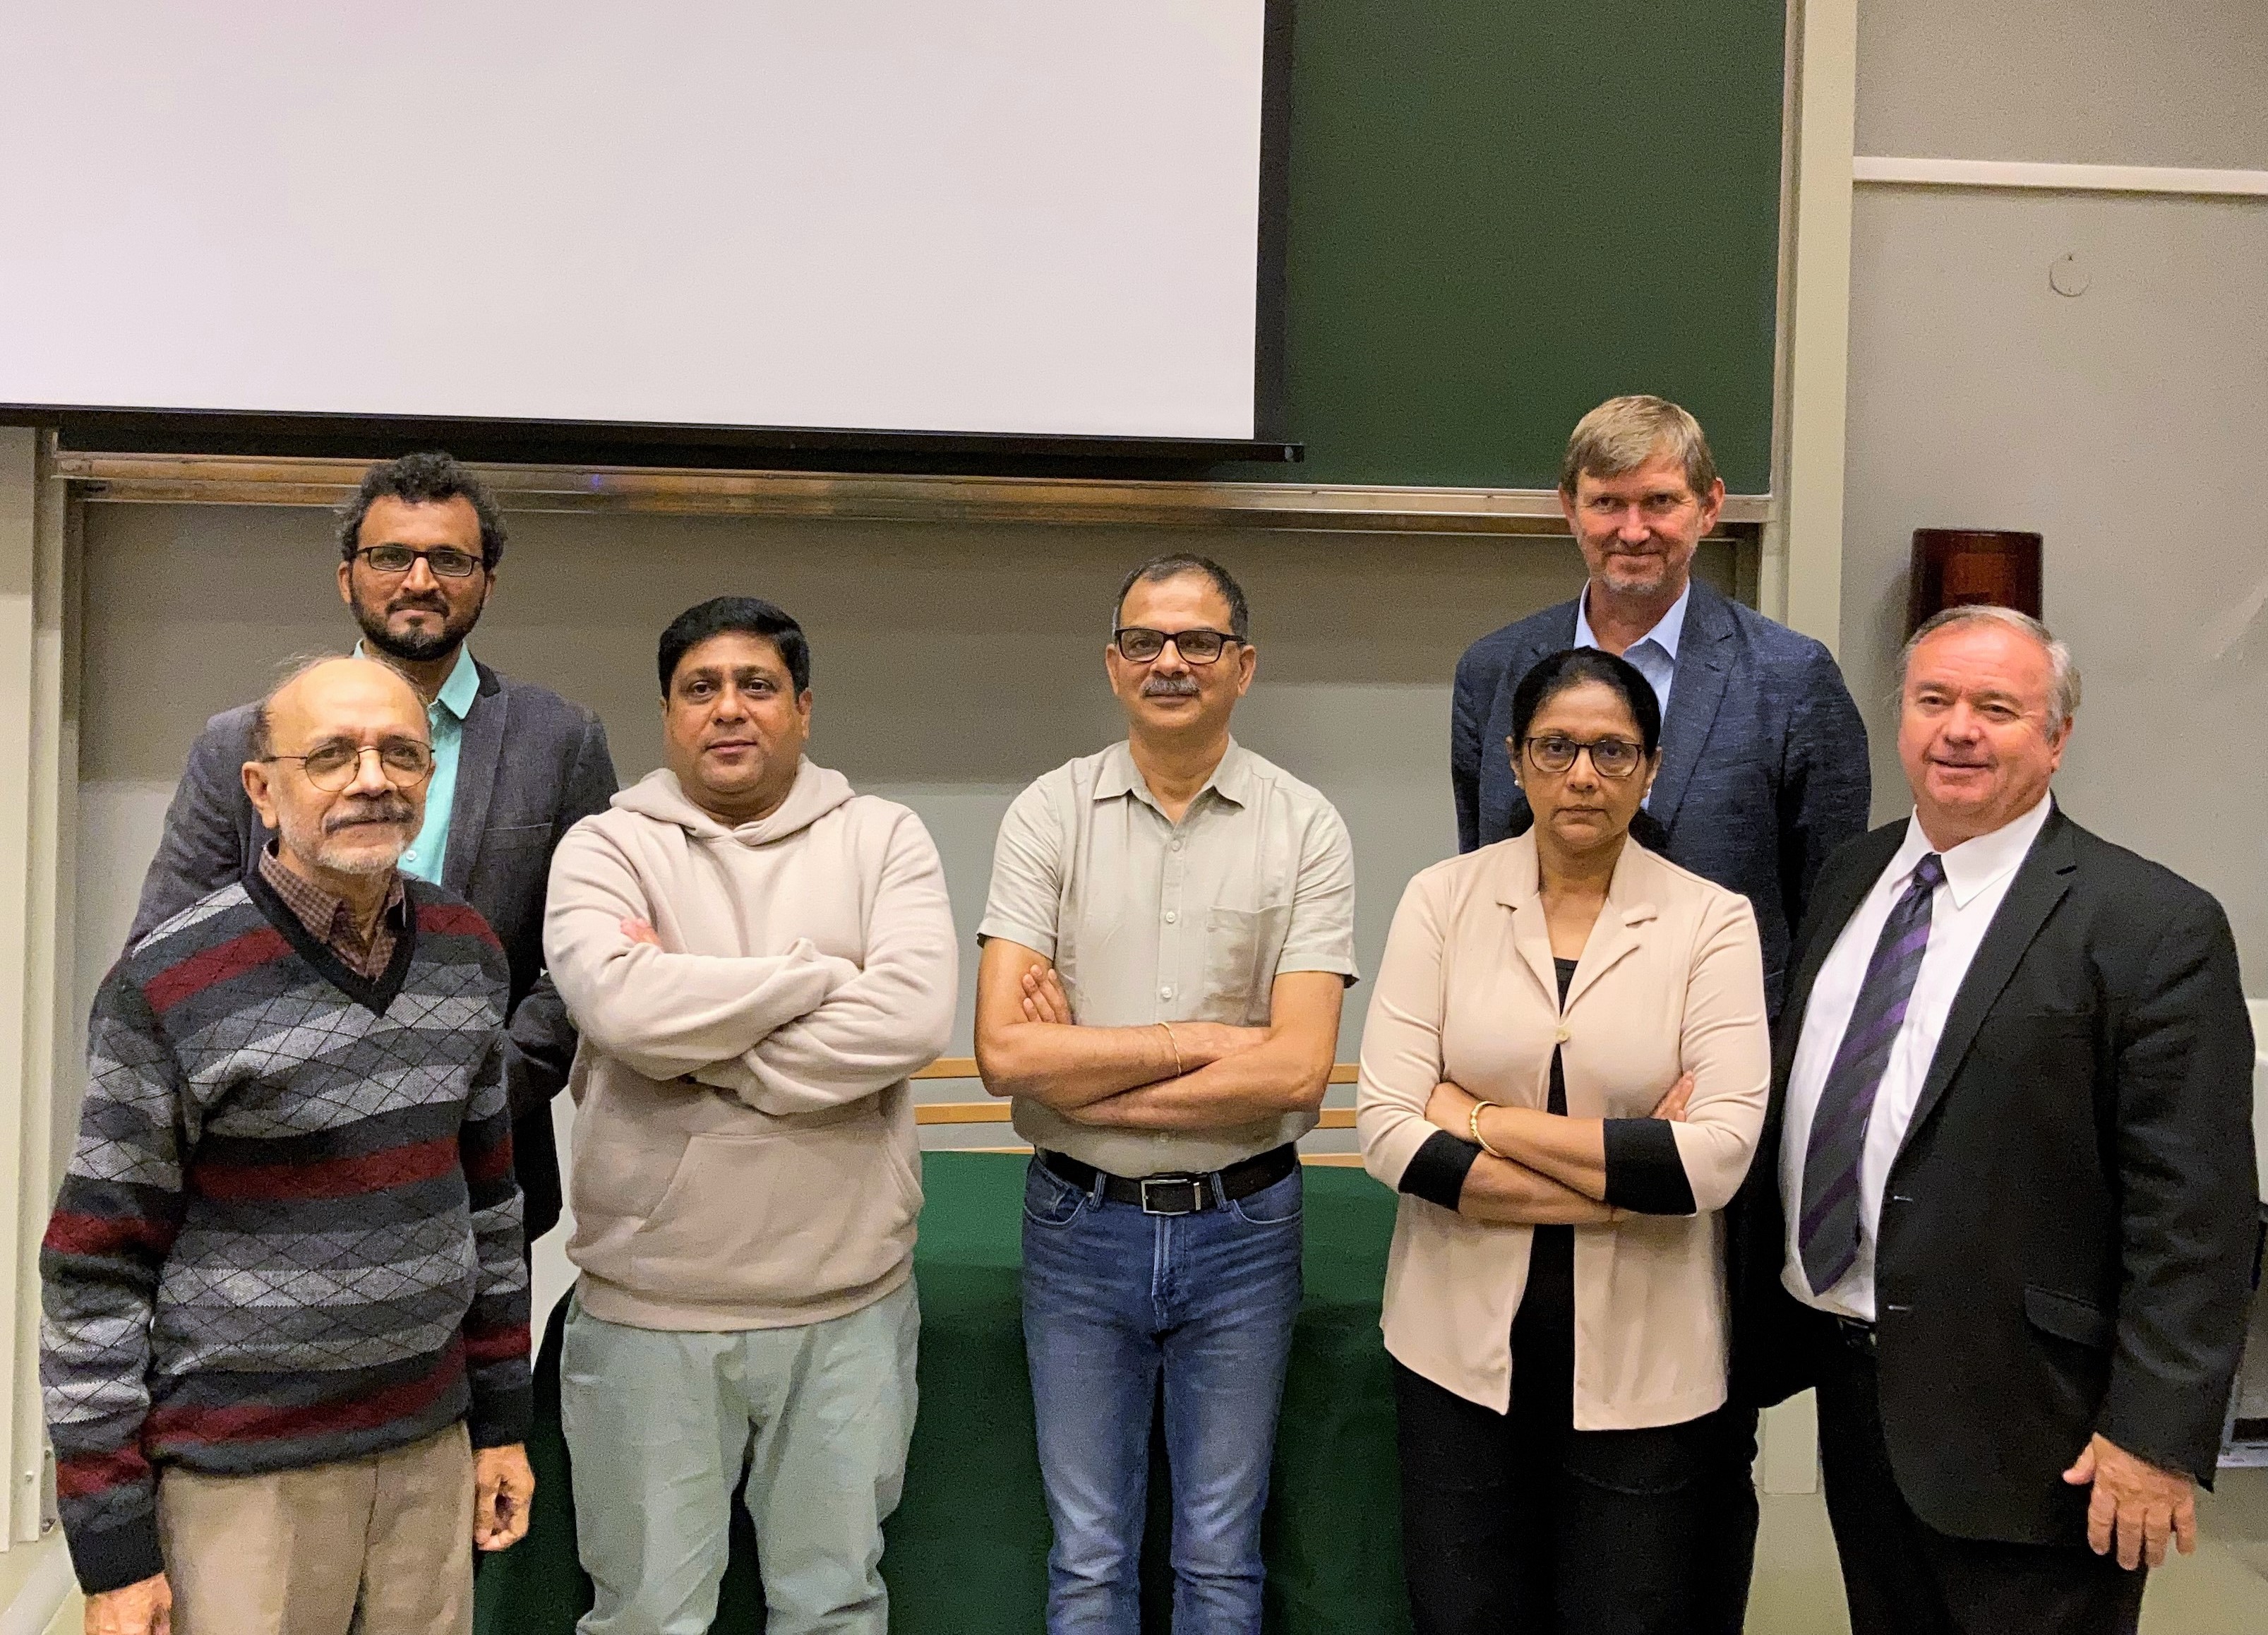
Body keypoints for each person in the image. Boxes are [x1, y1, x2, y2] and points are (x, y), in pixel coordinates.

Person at [1729, 606, 2258, 1635]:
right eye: (1933, 700)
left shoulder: (2152, 925)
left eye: (1997, 708)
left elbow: (2196, 1214)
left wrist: (2152, 1436)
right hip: (1857, 1385)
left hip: (2039, 1421)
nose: (1958, 729)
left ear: (2057, 739)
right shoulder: (1851, 878)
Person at [1449, 395, 1871, 1625]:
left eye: (1659, 502)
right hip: (1530, 1132)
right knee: (1529, 1412)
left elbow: (1828, 917)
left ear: (1708, 507)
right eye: (1606, 503)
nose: (1631, 529)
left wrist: (1741, 1086)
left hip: (1705, 1136)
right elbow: (1481, 880)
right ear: (1567, 510)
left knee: (1697, 1437)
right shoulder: (1495, 670)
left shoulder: (1791, 679)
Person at [44, 657, 534, 1635]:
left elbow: (489, 1210)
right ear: (262, 789)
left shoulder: (466, 952)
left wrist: (501, 1424)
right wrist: (113, 1545)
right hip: (240, 1482)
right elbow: (96, 1272)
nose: (372, 779)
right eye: (332, 755)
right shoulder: (170, 984)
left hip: (428, 1453)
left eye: (401, 754)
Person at [543, 597, 956, 1635]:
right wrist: (818, 978)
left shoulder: (883, 838)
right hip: (649, 1316)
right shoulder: (603, 847)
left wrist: (696, 1037)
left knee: (834, 1609)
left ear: (803, 709)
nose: (729, 708)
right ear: (669, 715)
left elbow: (910, 1018)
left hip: (847, 1309)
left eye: (757, 686)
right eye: (701, 689)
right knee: (646, 1617)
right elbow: (622, 1011)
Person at [974, 553, 1357, 1633]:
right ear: (1113, 665)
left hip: (1245, 1229)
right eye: (1144, 641)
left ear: (1244, 665)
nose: (1170, 662)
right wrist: (1198, 1044)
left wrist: (1085, 1077)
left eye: (1197, 642)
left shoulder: (1304, 826)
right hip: (1078, 1225)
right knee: (1089, 1561)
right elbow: (1004, 1054)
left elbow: (1296, 1071)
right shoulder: (1048, 815)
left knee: (1220, 1560)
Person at [1360, 647, 1770, 1634]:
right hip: (1454, 1356)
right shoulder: (1441, 900)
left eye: (1612, 751)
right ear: (1515, 760)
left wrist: (1479, 1117)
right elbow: (1387, 1134)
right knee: (1464, 1616)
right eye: (1556, 747)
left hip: (1648, 1364)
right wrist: (1627, 1181)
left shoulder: (1712, 921)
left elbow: (1714, 1160)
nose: (1583, 774)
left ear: (1651, 769)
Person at [128, 450, 618, 1262]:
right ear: (346, 577)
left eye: (450, 559)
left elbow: (579, 964)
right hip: (265, 1175)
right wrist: (304, 1091)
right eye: (392, 556)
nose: (419, 581)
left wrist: (463, 1091)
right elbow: (167, 956)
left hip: (478, 1175)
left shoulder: (560, 741)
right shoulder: (240, 742)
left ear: (487, 581)